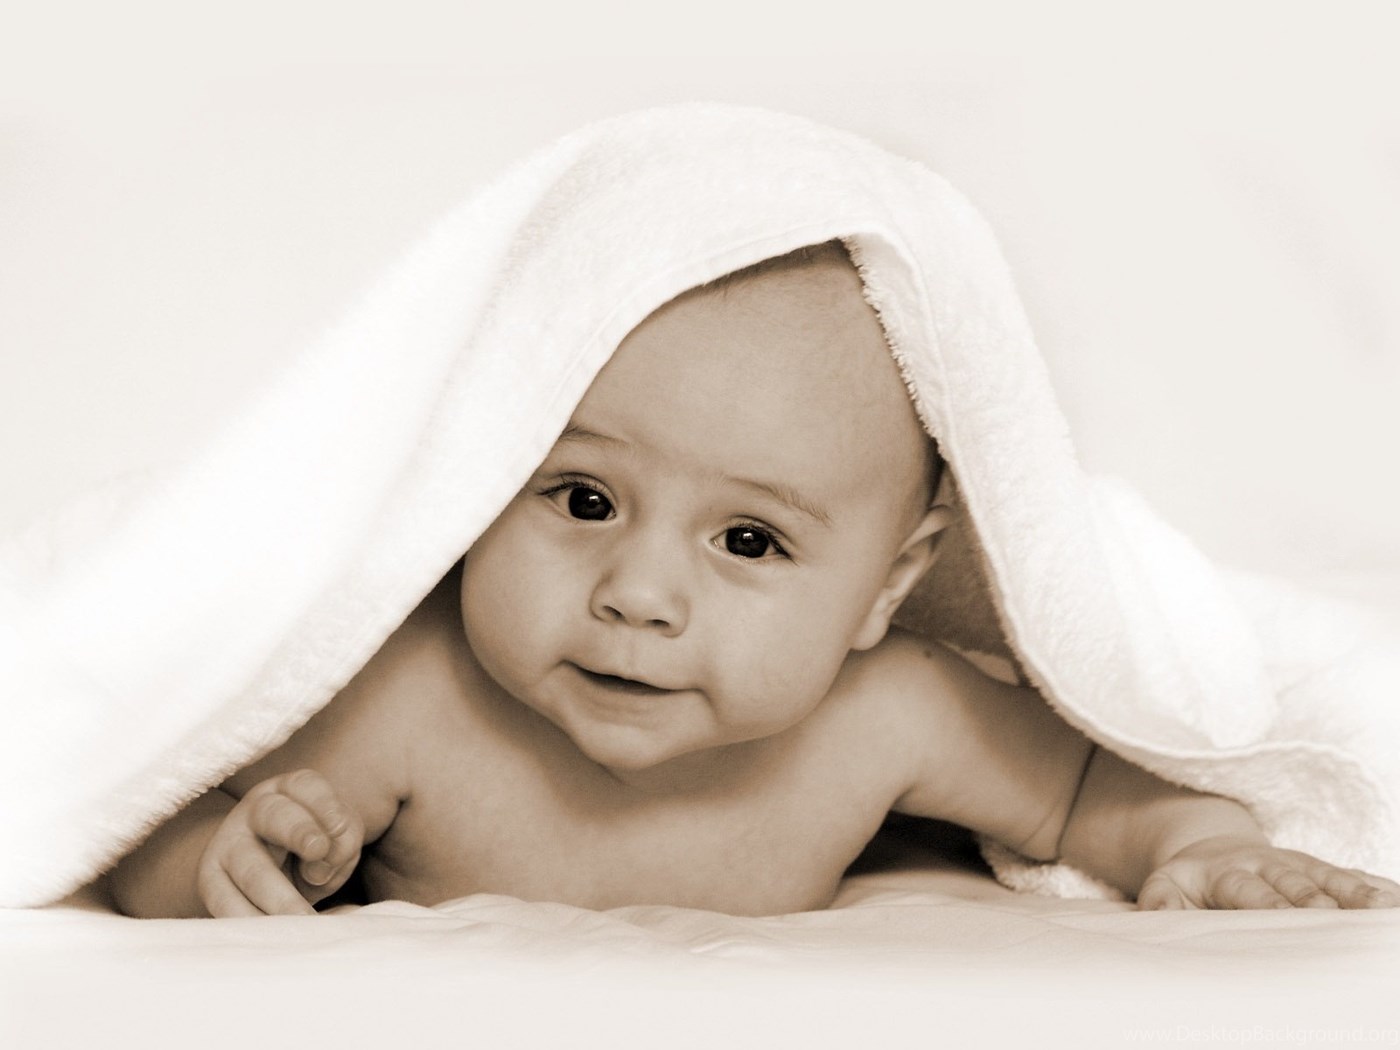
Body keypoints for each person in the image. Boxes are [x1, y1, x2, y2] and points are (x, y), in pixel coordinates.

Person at [108, 242, 1400, 918]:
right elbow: (139, 812)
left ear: (886, 588)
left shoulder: (886, 714)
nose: (638, 593)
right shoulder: (410, 694)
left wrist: (1201, 848)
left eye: (748, 541)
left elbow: (1083, 794)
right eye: (584, 499)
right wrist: (226, 861)